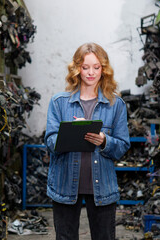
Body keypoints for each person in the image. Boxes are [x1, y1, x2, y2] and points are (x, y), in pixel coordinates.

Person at [44, 42, 130, 240]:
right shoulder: (59, 102)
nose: (91, 72)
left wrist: (103, 140)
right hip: (64, 185)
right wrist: (73, 133)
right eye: (85, 67)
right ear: (77, 69)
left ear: (103, 69)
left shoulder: (115, 105)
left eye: (96, 67)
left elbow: (122, 146)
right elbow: (50, 142)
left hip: (103, 188)